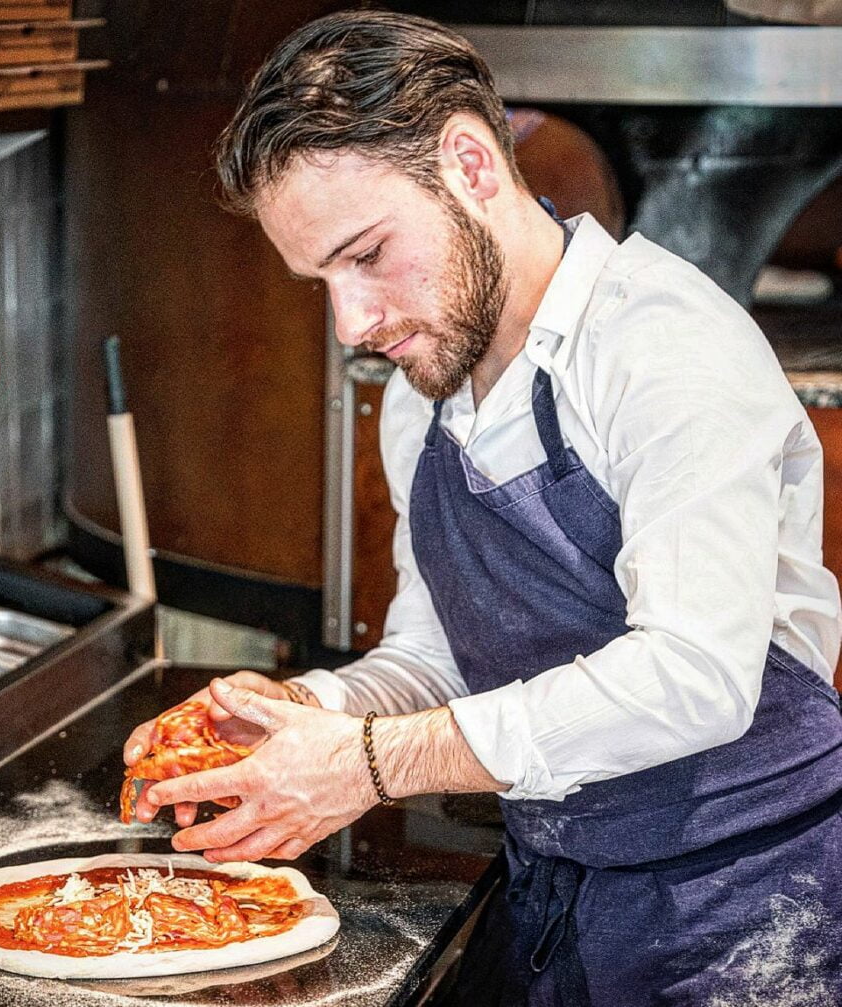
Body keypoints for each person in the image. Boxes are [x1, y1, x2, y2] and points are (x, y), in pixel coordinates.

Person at [124, 10, 842, 1004]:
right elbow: (442, 656)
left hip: (745, 906)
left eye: (367, 252)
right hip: (558, 893)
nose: (353, 321)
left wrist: (370, 763)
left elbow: (694, 675)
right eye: (320, 280)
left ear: (468, 162)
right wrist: (309, 713)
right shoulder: (425, 400)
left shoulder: (665, 349)